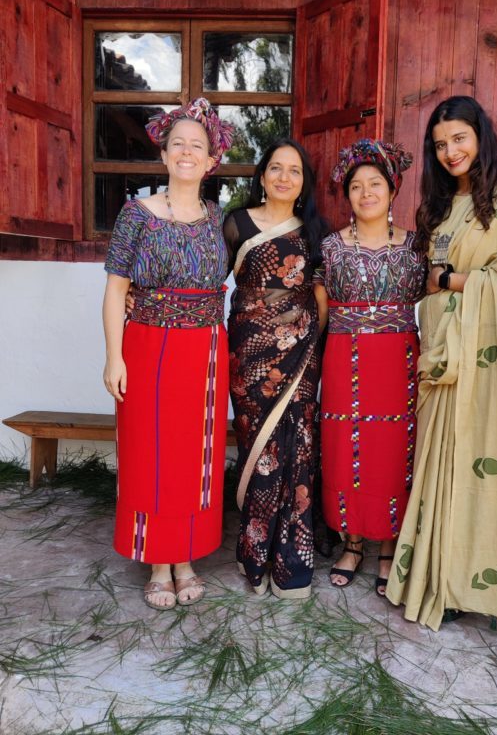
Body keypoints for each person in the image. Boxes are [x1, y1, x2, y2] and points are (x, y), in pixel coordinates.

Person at [385, 96, 497, 631]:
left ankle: (484, 579)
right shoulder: (437, 206)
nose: (450, 151)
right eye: (439, 144)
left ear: (480, 135)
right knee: (439, 463)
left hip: (489, 362)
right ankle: (442, 575)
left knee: (483, 465)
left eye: (458, 138)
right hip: (441, 358)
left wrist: (450, 280)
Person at [102, 98, 234, 610]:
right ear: (163, 154)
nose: (185, 152)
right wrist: (114, 357)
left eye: (196, 146)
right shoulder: (136, 215)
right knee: (149, 453)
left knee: (192, 453)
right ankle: (158, 560)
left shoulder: (216, 218)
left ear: (210, 161)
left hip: (204, 349)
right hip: (148, 346)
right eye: (177, 143)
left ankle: (186, 556)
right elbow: (116, 291)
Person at [313, 139, 427, 595]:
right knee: (345, 448)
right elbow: (321, 308)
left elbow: (433, 304)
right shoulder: (331, 247)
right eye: (356, 186)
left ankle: (388, 546)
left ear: (392, 189)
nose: (365, 193)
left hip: (398, 362)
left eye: (375, 184)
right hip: (345, 358)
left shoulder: (416, 247)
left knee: (394, 451)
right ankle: (353, 543)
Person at [224, 138, 328, 599]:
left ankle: (291, 562)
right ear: (262, 175)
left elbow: (320, 302)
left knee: (298, 449)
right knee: (256, 447)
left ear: (303, 183)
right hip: (249, 354)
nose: (285, 177)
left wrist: (307, 344)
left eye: (295, 171)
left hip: (300, 354)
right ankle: (255, 554)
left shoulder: (313, 231)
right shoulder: (237, 223)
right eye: (276, 168)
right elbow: (211, 282)